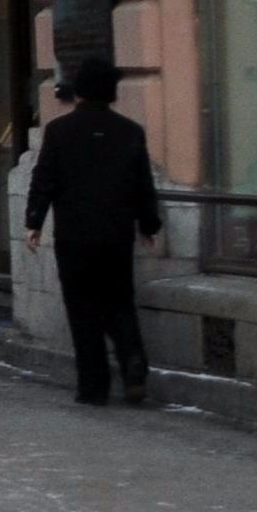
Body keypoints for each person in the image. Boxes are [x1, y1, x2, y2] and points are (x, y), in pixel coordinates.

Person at [25, 57, 165, 406]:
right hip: (116, 235)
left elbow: (44, 181)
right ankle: (133, 360)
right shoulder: (130, 132)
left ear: (80, 92)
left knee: (82, 308)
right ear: (111, 93)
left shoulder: (59, 131)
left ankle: (93, 385)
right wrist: (148, 225)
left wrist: (34, 222)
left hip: (74, 235)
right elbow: (142, 186)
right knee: (119, 301)